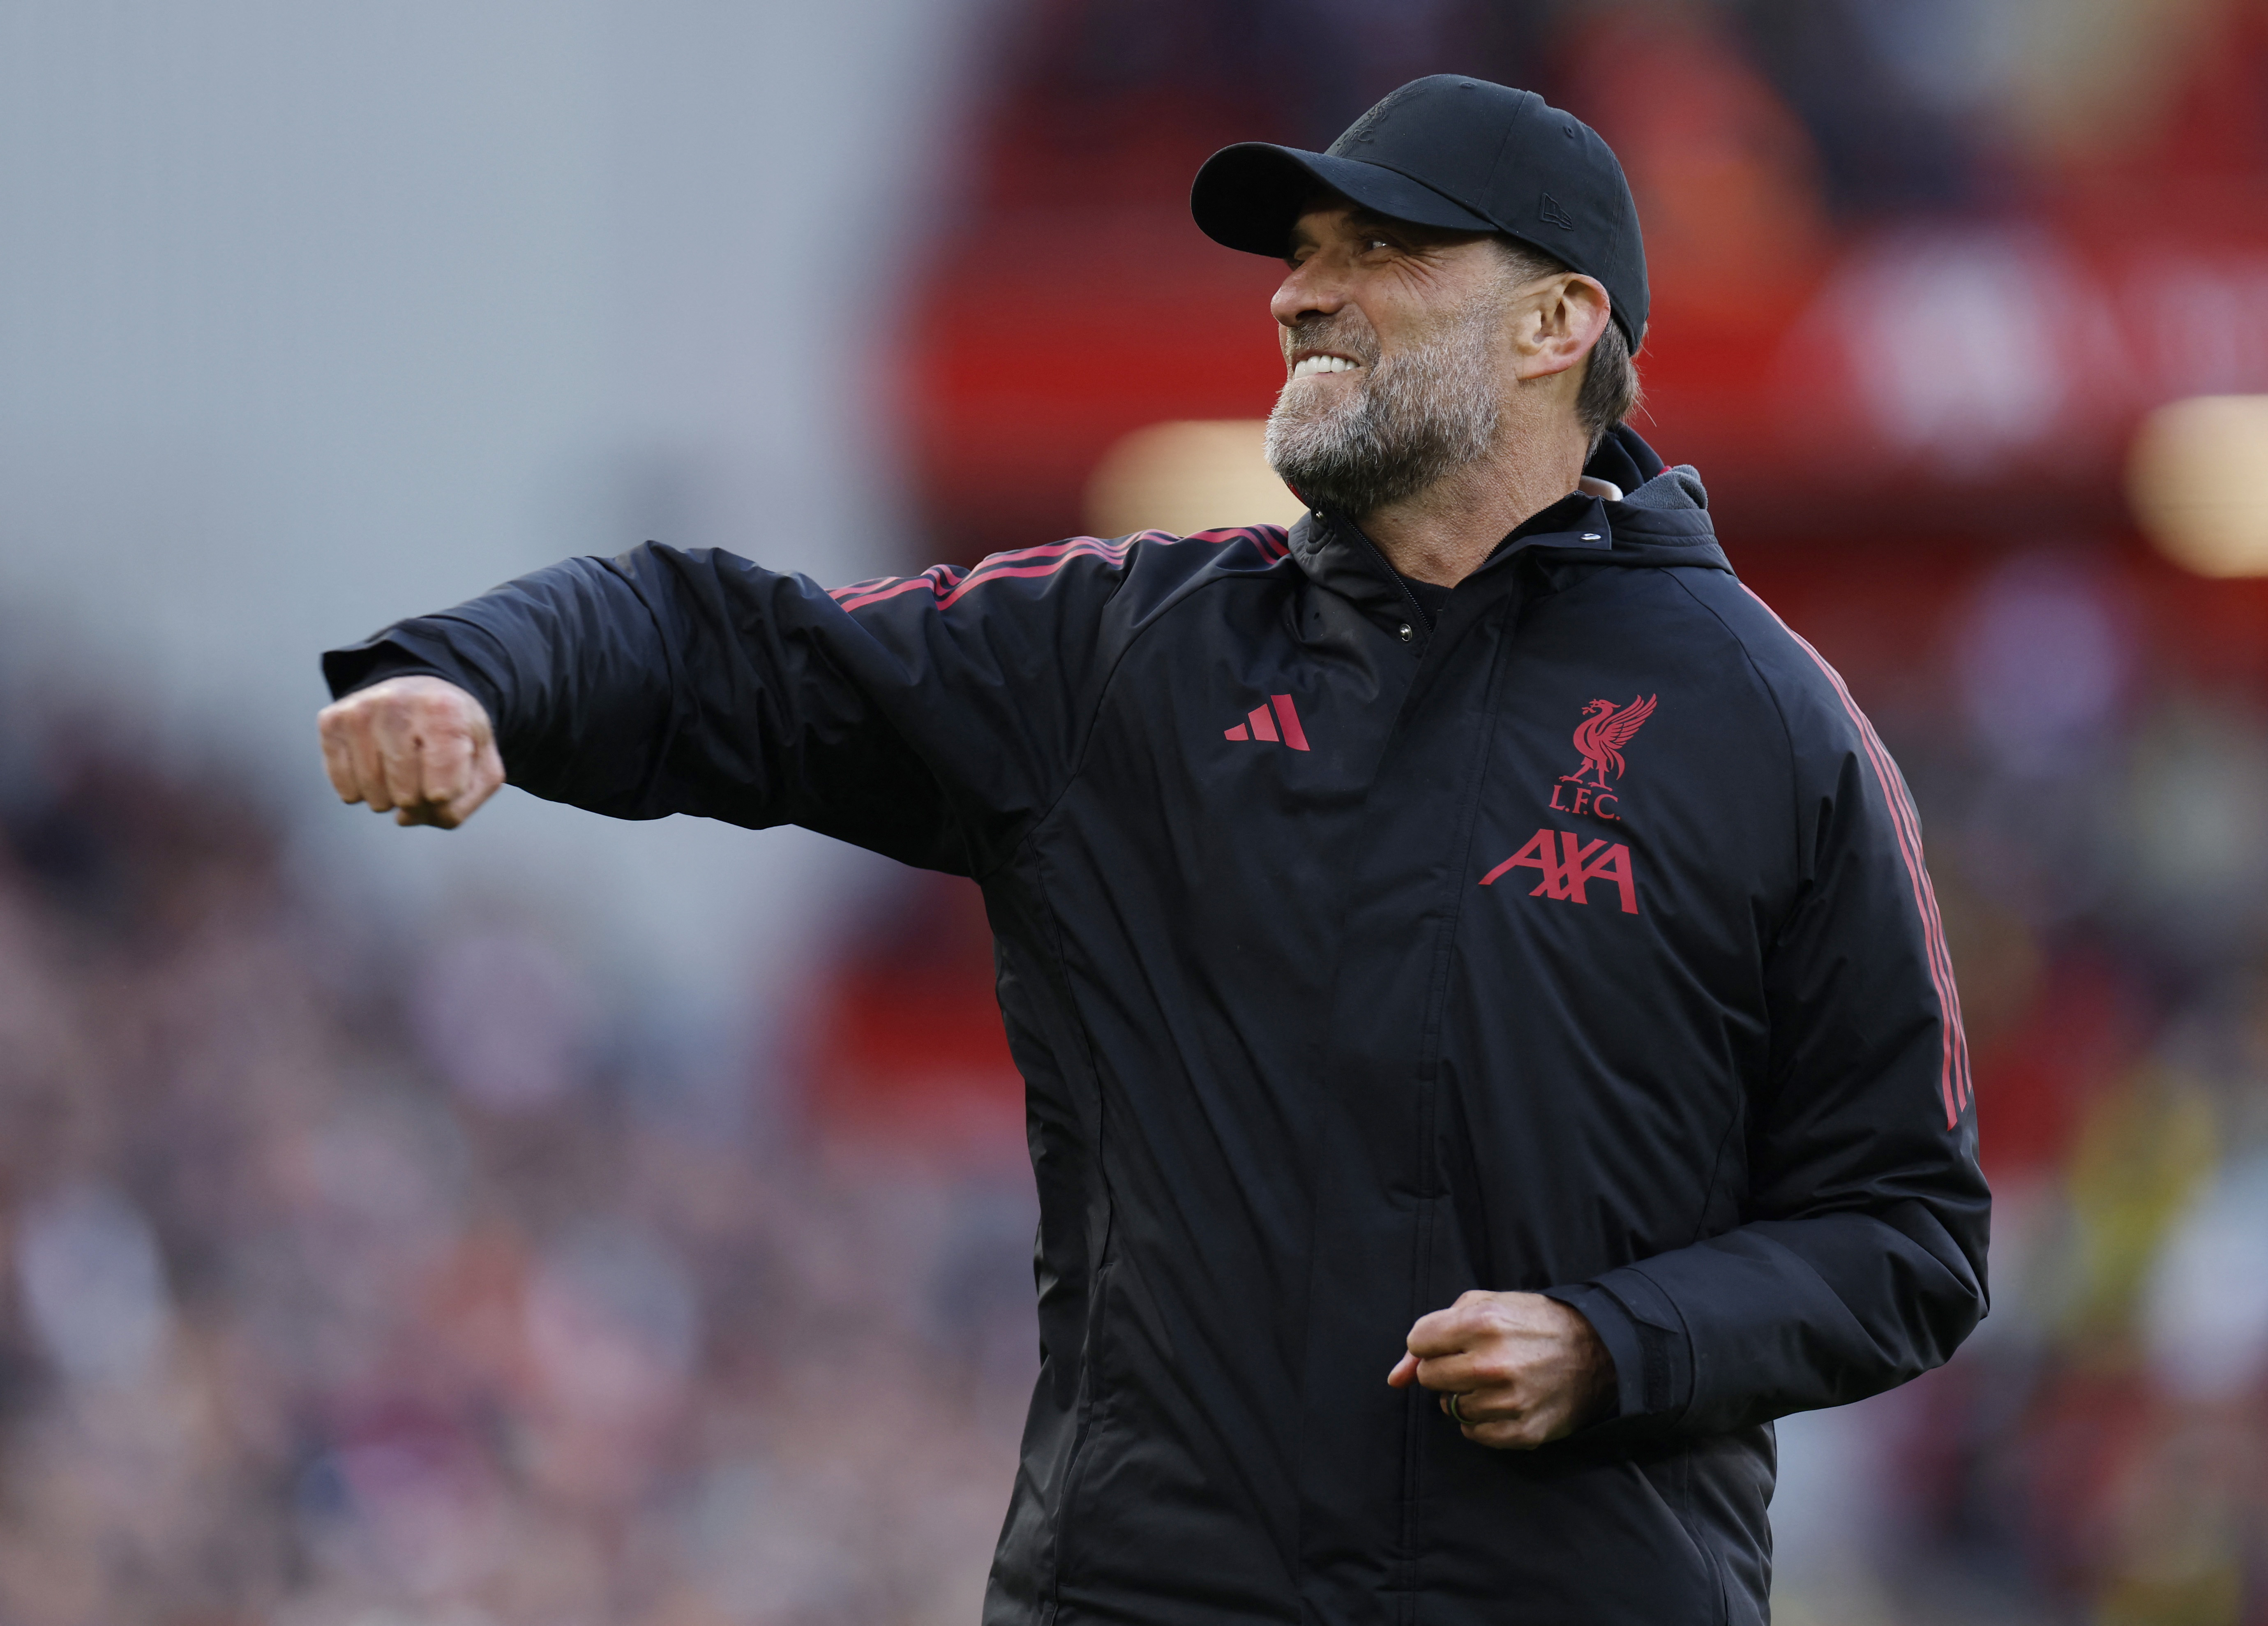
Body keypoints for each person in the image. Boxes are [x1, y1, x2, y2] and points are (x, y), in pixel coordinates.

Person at [318, 75, 1987, 1626]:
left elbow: (1904, 1231)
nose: (1296, 292)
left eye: (1378, 252)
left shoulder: (1769, 724)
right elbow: (730, 644)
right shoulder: (1127, 653)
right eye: (1299, 254)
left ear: (1558, 324)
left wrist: (1615, 1343)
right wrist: (475, 673)